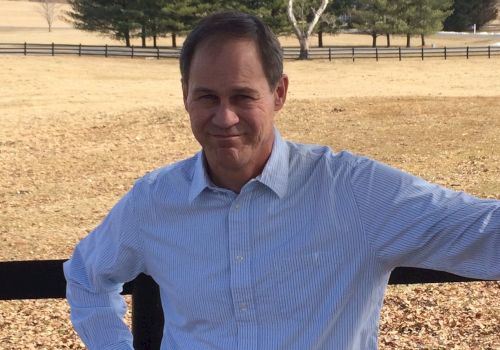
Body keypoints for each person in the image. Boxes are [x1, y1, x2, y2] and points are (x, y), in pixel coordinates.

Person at [64, 11, 500, 350]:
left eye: (242, 96)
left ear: (279, 93)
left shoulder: (352, 191)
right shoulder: (155, 201)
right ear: (185, 95)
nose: (224, 117)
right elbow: (87, 275)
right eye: (207, 97)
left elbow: (482, 231)